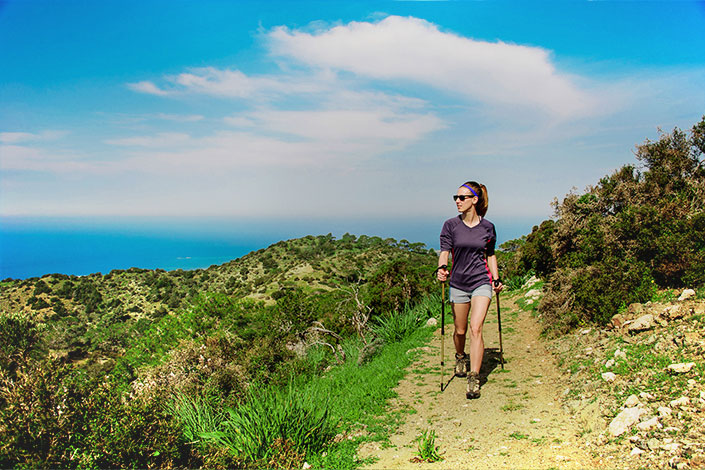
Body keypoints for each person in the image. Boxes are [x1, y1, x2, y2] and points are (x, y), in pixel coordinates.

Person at [437, 181, 503, 399]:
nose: (457, 201)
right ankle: (459, 355)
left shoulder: (488, 227)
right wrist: (442, 268)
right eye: (455, 198)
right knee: (461, 330)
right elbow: (445, 252)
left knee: (476, 328)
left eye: (462, 198)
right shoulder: (450, 226)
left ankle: (474, 377)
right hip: (458, 283)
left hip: (480, 281)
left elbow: (490, 254)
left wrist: (495, 278)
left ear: (474, 200)